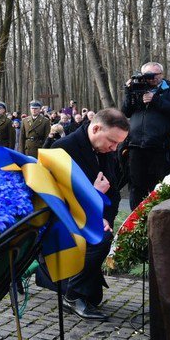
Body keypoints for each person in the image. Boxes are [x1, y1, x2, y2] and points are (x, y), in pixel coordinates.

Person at [48, 108, 129, 321]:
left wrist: (105, 219)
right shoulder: (62, 149)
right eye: (112, 141)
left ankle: (78, 289)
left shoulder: (106, 151)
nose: (115, 148)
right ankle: (72, 296)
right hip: (63, 221)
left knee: (95, 296)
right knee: (101, 239)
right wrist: (94, 196)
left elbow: (114, 193)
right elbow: (56, 198)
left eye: (118, 143)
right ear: (96, 129)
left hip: (90, 219)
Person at [121, 61, 170, 209]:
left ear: (161, 75)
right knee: (136, 186)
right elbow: (126, 112)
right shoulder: (137, 89)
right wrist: (128, 92)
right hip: (136, 146)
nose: (151, 78)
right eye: (147, 75)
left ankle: (159, 216)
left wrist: (156, 100)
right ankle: (136, 218)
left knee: (160, 186)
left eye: (154, 75)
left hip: (159, 148)